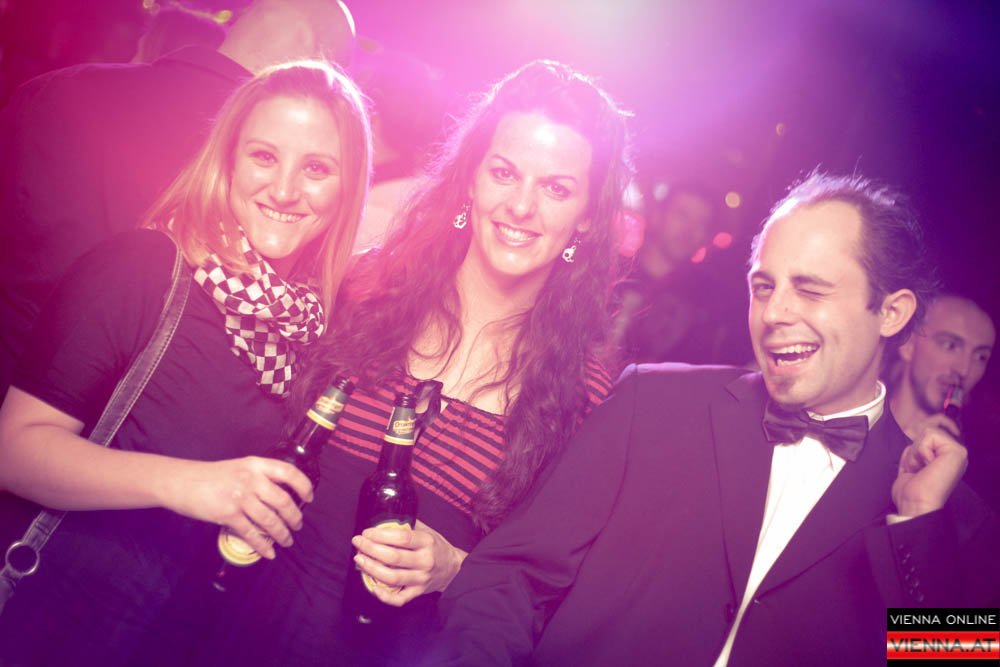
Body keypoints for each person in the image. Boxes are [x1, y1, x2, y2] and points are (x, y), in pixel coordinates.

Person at [423, 172, 1000, 666]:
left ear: (891, 313)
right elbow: (508, 577)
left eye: (810, 290)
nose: (775, 313)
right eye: (764, 287)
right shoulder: (652, 402)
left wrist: (920, 527)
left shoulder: (952, 518)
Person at [202, 59, 632, 667]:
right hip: (227, 630)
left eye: (556, 189)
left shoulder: (587, 397)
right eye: (504, 173)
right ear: (471, 179)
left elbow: (555, 596)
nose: (520, 206)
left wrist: (457, 568)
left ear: (587, 215)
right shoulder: (359, 289)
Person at [0, 61, 372, 667]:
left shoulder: (310, 332)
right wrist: (190, 484)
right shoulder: (143, 267)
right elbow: (13, 451)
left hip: (164, 640)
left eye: (316, 168)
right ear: (228, 162)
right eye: (263, 156)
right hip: (48, 624)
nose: (284, 190)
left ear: (346, 189)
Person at [0, 0, 357, 400]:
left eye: (316, 168)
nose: (284, 190)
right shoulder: (237, 162)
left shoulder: (56, 91)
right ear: (316, 63)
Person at [889, 293, 997, 511]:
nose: (964, 369)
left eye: (980, 357)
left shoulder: (975, 478)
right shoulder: (849, 420)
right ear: (908, 344)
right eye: (950, 345)